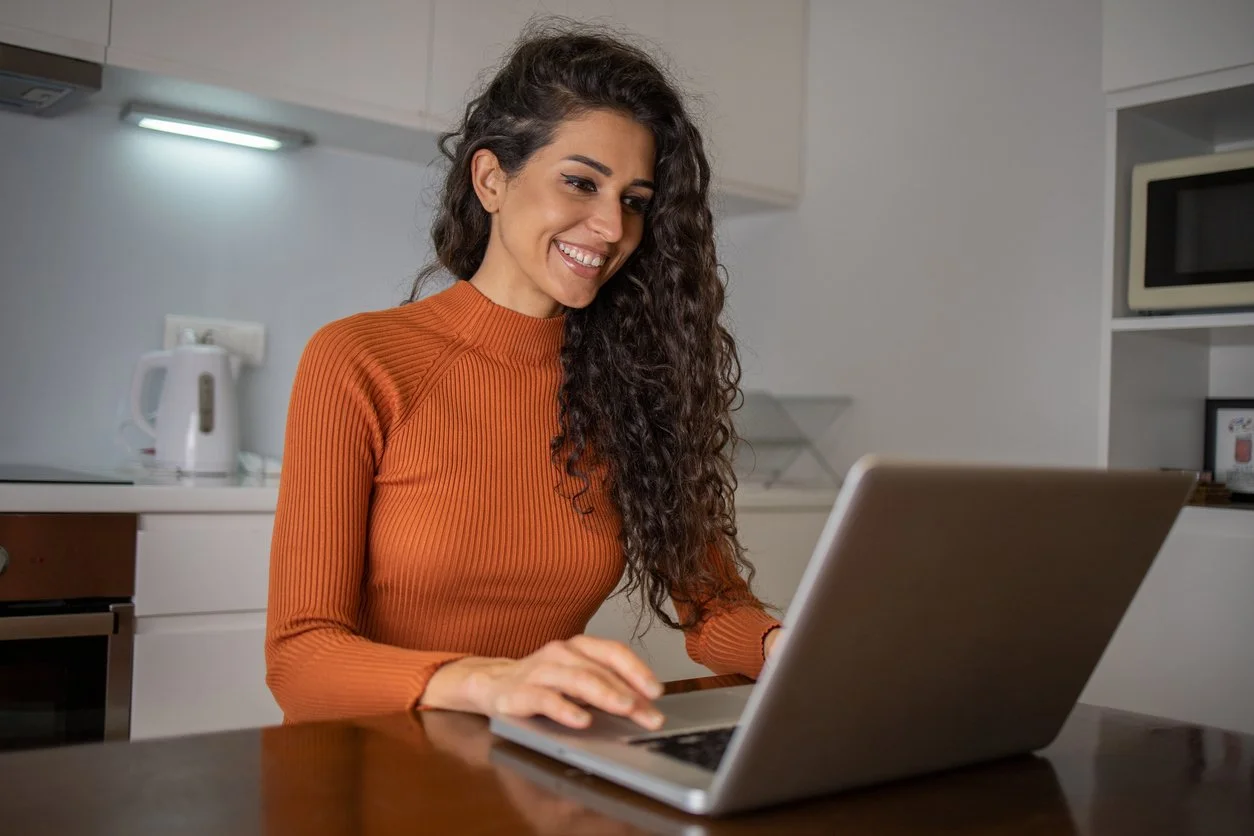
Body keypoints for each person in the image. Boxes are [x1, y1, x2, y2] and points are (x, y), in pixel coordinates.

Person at [264, 20, 782, 734]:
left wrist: (788, 648)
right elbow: (301, 660)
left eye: (633, 200)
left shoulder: (631, 386)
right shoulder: (360, 360)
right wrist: (488, 682)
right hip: (368, 767)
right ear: (491, 179)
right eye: (580, 183)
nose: (610, 228)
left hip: (535, 765)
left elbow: (716, 609)